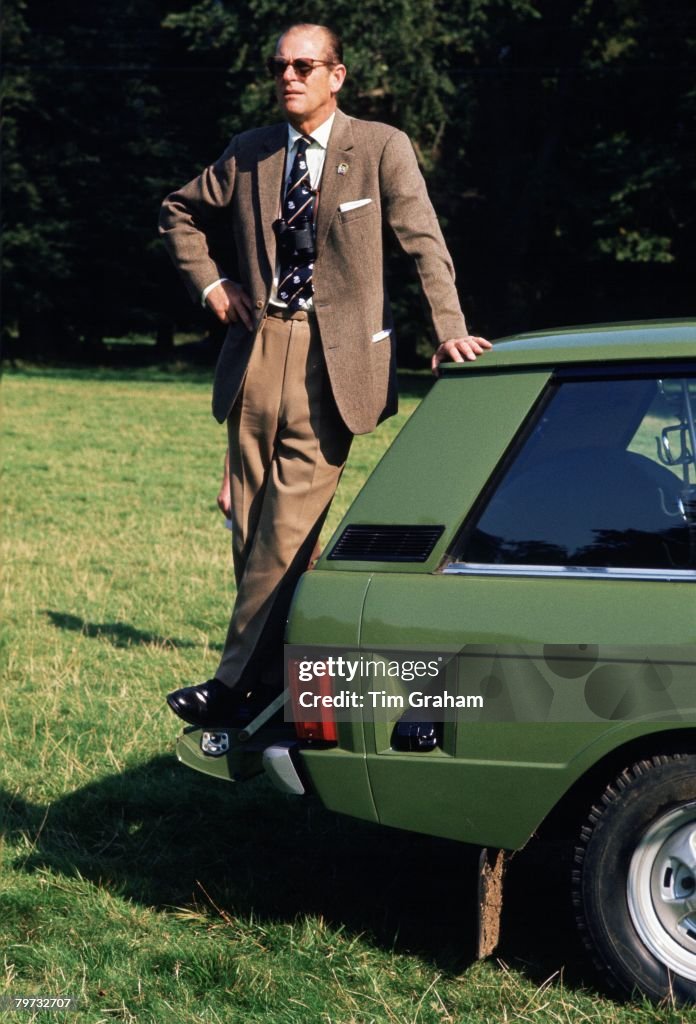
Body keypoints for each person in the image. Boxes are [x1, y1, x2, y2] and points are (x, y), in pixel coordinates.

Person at [160, 22, 491, 729]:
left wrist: (450, 330)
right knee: (255, 536)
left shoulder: (380, 147)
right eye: (279, 64)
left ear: (336, 76)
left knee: (285, 535)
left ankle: (231, 687)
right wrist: (213, 286)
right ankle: (302, 698)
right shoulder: (248, 153)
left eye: (305, 65)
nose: (289, 75)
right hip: (253, 355)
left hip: (333, 365)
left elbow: (424, 246)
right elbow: (178, 211)